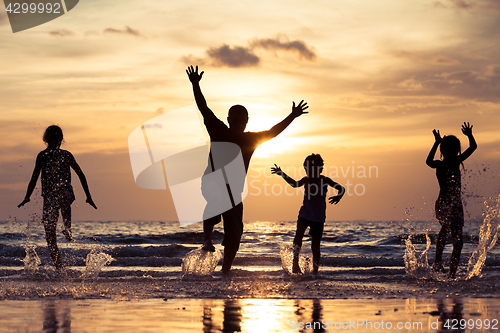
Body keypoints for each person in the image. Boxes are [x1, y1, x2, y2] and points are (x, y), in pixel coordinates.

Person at [186, 65, 308, 275]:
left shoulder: (236, 134)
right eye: (239, 119)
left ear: (240, 121)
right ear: (236, 120)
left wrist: (292, 115)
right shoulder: (231, 133)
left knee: (234, 231)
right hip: (216, 186)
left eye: (241, 119)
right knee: (218, 205)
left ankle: (223, 267)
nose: (240, 122)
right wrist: (196, 85)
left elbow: (273, 132)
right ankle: (209, 242)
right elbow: (203, 107)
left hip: (231, 192)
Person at [18, 125, 97, 270]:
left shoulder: (46, 155)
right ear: (60, 140)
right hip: (60, 195)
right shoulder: (62, 155)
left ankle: (59, 265)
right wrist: (88, 196)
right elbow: (81, 175)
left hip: (52, 196)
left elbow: (34, 178)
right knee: (63, 203)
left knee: (50, 235)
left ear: (45, 140)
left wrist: (27, 196)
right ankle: (67, 228)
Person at [271, 153, 345, 276]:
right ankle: (295, 263)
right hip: (305, 212)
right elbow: (294, 184)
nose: (308, 171)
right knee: (299, 232)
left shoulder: (324, 180)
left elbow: (341, 188)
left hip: (318, 216)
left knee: (315, 244)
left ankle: (315, 271)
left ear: (320, 169)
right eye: (306, 169)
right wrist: (282, 174)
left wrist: (339, 196)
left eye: (311, 169)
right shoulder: (306, 180)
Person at [426, 122, 477, 278]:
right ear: (443, 150)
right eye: (447, 149)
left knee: (454, 237)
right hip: (445, 203)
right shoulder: (439, 164)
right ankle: (439, 263)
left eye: (454, 149)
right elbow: (428, 161)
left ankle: (448, 270)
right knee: (449, 233)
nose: (451, 152)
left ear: (456, 151)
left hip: (454, 204)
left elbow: (473, 147)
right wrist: (436, 142)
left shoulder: (456, 161)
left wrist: (469, 135)